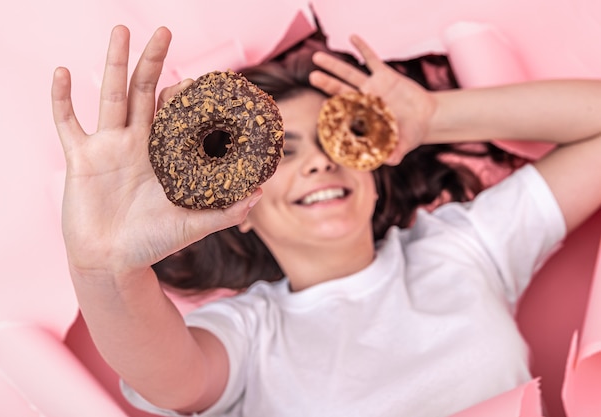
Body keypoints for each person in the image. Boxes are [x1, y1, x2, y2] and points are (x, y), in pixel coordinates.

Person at [51, 25, 601, 417]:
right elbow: (169, 378)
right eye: (283, 154)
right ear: (235, 209)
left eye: (340, 139)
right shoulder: (247, 334)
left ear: (375, 170)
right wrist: (104, 269)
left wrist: (436, 118)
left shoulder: (465, 247)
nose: (320, 161)